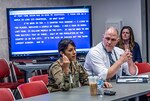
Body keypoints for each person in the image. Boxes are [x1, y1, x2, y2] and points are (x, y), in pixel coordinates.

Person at [47, 38, 112, 92]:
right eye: (70, 50)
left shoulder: (75, 64)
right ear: (62, 53)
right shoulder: (55, 67)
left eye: (74, 49)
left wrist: (100, 83)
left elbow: (86, 80)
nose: (74, 52)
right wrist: (66, 69)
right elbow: (64, 88)